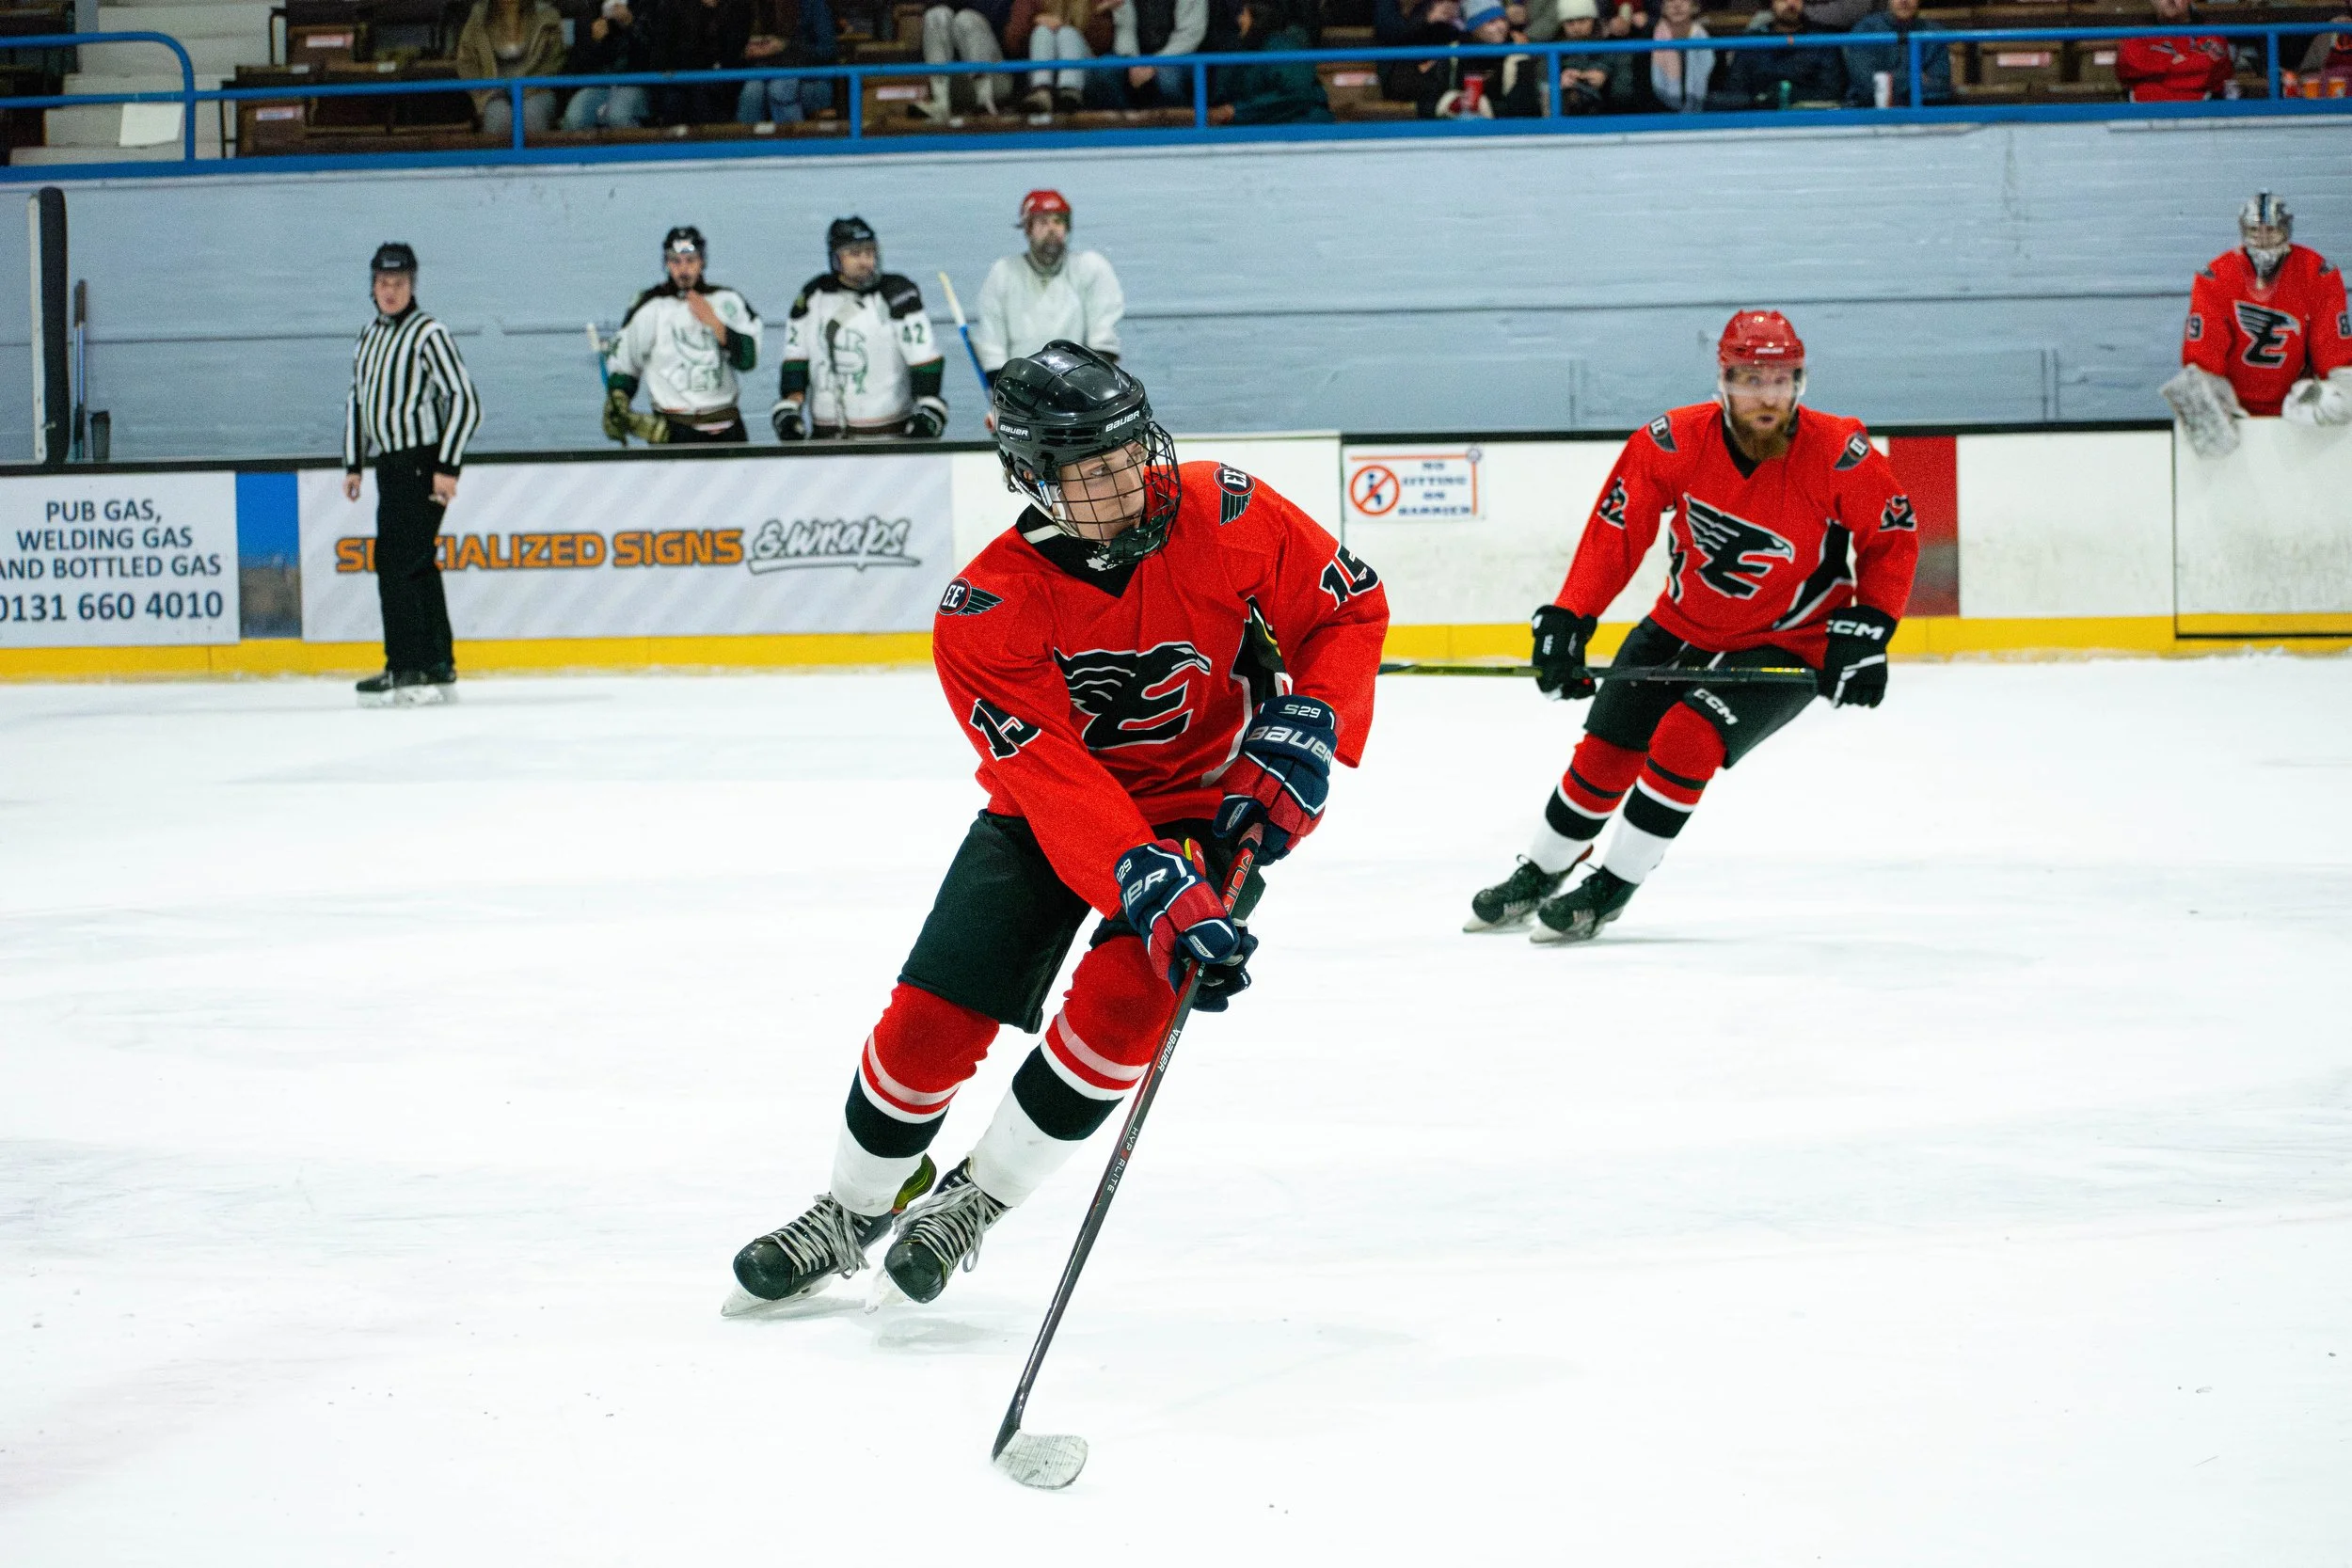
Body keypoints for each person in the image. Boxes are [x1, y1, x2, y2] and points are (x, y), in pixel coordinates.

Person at [722, 341, 1390, 1311]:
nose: (1127, 481)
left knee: (1128, 1001)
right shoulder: (985, 607)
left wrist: (1315, 714)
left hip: (1204, 802)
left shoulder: (1225, 507)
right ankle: (851, 1208)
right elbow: (1054, 776)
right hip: (1054, 811)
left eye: (1130, 453)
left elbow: (1349, 608)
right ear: (1033, 475)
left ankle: (976, 1199)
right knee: (930, 1021)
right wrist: (1139, 873)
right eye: (1093, 467)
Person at [1465, 310, 1917, 943]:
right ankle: (1541, 870)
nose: (1768, 394)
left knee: (1686, 736)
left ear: (1800, 382)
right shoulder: (1672, 442)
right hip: (1681, 624)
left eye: (1782, 379)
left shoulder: (1840, 452)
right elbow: (1618, 533)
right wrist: (1571, 612)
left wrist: (1871, 625)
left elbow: (1891, 538)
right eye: (1752, 378)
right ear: (1724, 379)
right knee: (1605, 751)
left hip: (1791, 640)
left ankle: (1612, 885)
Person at [341, 244, 482, 707]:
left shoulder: (429, 334)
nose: (390, 291)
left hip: (422, 462)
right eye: (383, 283)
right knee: (416, 562)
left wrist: (447, 466)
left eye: (399, 284)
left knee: (397, 564)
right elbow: (358, 400)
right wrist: (354, 463)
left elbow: (464, 399)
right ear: (372, 286)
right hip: (391, 466)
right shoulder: (368, 335)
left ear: (412, 286)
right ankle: (437, 663)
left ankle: (406, 667)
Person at [2162, 193, 2352, 457]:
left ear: (2286, 229)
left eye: (2271, 230)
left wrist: (2339, 397)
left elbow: (2337, 361)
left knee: (2339, 401)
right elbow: (2202, 363)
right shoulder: (2217, 276)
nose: (2263, 240)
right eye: (2254, 230)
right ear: (2243, 231)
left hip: (2297, 407)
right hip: (2235, 408)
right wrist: (2210, 407)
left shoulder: (2317, 273)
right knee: (2191, 393)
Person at [772, 217, 950, 440]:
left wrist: (928, 406)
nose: (866, 261)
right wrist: (790, 406)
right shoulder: (813, 295)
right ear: (836, 258)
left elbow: (924, 358)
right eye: (855, 254)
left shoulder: (897, 294)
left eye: (869, 252)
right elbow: (796, 356)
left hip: (889, 437)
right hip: (825, 439)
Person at [603, 226, 763, 444]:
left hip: (728, 427)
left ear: (702, 262)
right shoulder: (651, 307)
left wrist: (716, 324)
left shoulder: (727, 301)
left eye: (690, 260)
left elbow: (748, 360)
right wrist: (619, 399)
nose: (683, 269)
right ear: (666, 264)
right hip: (674, 429)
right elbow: (625, 362)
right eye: (676, 261)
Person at [971, 190, 1125, 382]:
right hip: (1022, 391)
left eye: (1058, 221)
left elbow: (1104, 343)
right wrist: (1003, 395)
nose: (1052, 229)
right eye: (1043, 222)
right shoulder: (1003, 273)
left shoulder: (1092, 268)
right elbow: (992, 346)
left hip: (1079, 389)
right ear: (1028, 229)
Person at [455, 0, 566, 137]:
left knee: (532, 116)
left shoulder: (547, 15)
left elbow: (554, 61)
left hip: (537, 90)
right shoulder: (479, 18)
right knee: (498, 118)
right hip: (492, 92)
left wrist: (529, 87)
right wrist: (481, 93)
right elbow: (466, 62)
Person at [1209, 0, 1335, 120]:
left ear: (1258, 17)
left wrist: (1237, 111)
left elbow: (1297, 95)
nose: (1239, 19)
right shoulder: (1243, 49)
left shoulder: (1284, 48)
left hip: (1302, 126)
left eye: (1244, 14)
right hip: (1257, 126)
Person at [1718, 0, 1845, 107]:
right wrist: (1762, 100)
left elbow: (1831, 92)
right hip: (1758, 121)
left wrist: (1787, 95)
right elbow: (1735, 90)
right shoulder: (1752, 41)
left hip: (1809, 122)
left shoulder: (1822, 41)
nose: (1790, 3)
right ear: (1771, 3)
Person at [737, 0, 841, 123]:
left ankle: (793, 139)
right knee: (752, 90)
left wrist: (785, 47)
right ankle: (747, 141)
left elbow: (828, 50)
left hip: (811, 77)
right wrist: (751, 50)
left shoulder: (813, 4)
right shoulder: (756, 6)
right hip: (765, 69)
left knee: (780, 86)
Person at [652, 0, 755, 123]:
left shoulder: (738, 6)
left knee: (706, 97)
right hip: (681, 78)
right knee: (674, 100)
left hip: (723, 79)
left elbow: (734, 49)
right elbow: (662, 50)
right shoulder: (673, 6)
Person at [560, 0, 657, 130]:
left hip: (638, 83)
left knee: (618, 115)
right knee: (574, 117)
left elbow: (653, 56)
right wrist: (595, 42)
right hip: (599, 82)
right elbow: (579, 63)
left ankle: (637, 150)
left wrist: (630, 25)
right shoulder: (590, 8)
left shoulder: (647, 6)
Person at [2113, 0, 2233, 102]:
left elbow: (2206, 68)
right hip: (2144, 110)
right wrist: (2180, 65)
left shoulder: (2210, 32)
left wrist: (2156, 73)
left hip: (2202, 111)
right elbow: (2129, 66)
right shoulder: (2136, 34)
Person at [915, 0, 1015, 119]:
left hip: (995, 77)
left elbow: (1011, 39)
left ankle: (985, 103)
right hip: (952, 84)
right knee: (937, 14)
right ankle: (940, 103)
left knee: (966, 19)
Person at [1842, 0, 1950, 104]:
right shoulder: (1866, 29)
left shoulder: (1934, 33)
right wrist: (1916, 79)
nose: (1903, 1)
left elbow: (1940, 86)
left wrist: (1887, 81)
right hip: (1868, 113)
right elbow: (1867, 84)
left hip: (1923, 114)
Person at [1108, 0, 1214, 107]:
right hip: (1136, 59)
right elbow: (1124, 30)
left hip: (1180, 56)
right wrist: (1133, 62)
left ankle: (1177, 121)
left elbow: (1190, 34)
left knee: (1168, 80)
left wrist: (1154, 64)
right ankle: (1123, 121)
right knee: (1107, 71)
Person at [1018, 0, 1113, 114]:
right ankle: (1041, 90)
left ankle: (1069, 92)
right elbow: (1012, 43)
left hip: (1085, 69)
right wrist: (1034, 21)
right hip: (1039, 68)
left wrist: (1095, 12)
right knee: (1042, 31)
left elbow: (1103, 43)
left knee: (1067, 33)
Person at [1555, 0, 1637, 111]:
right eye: (1570, 22)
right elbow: (1543, 90)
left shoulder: (1614, 50)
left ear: (1593, 20)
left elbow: (1624, 94)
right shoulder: (1554, 54)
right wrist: (1558, 84)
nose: (1576, 27)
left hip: (1610, 118)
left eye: (1582, 20)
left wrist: (1605, 82)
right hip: (1567, 121)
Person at [1649, 0, 1713, 113]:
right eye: (1671, 1)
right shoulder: (1649, 38)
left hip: (1704, 114)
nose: (1677, 5)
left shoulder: (1709, 38)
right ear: (1663, 8)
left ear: (1695, 7)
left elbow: (1715, 83)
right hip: (1657, 114)